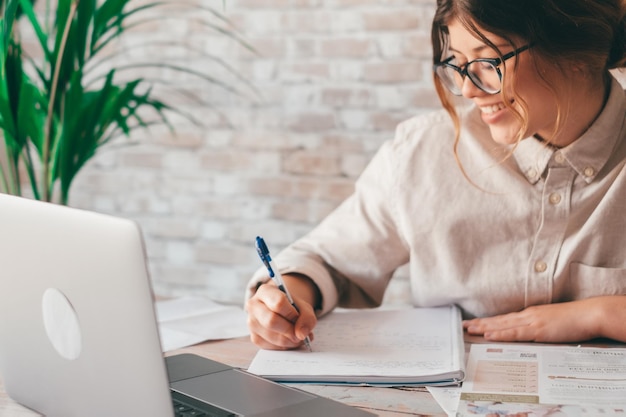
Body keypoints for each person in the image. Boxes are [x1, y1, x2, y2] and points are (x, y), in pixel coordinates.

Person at [245, 0, 626, 350]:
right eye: (458, 63)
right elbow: (326, 260)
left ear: (575, 52)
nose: (467, 89)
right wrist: (284, 299)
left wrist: (601, 314)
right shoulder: (422, 151)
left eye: (489, 62)